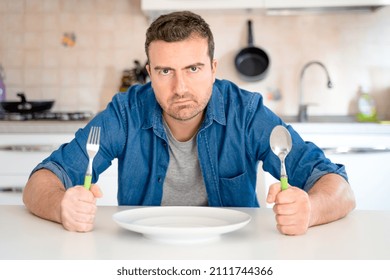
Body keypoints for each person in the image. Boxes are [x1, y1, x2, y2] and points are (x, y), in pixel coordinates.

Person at [23, 11, 355, 235]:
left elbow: (336, 186)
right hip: (142, 258)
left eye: (193, 69)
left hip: (235, 259)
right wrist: (61, 205)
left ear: (213, 68)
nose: (180, 88)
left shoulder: (247, 113)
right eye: (165, 71)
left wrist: (309, 209)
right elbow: (40, 182)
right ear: (150, 73)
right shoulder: (126, 112)